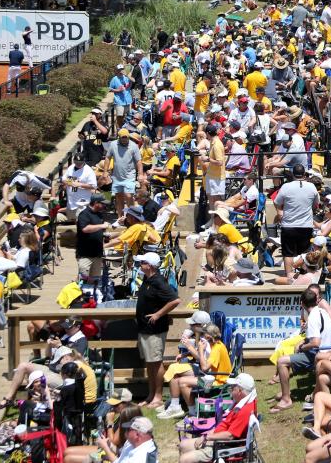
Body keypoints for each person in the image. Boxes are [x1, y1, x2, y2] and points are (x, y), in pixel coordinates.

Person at [273, 288, 331, 413]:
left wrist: (302, 347)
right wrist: (303, 342)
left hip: (320, 354)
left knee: (281, 361)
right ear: (316, 300)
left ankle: (286, 399)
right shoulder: (322, 312)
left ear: (302, 303)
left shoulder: (312, 317)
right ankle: (286, 392)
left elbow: (316, 342)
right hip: (329, 350)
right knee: (290, 353)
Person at [135, 251, 181, 408]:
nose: (139, 265)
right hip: (144, 328)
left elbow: (175, 300)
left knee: (156, 362)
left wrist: (158, 314)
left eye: (142, 263)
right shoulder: (147, 280)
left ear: (150, 266)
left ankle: (158, 397)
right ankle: (151, 394)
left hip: (154, 330)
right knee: (150, 363)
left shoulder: (159, 282)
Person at [178, 373, 258, 463]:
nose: (231, 389)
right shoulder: (243, 401)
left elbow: (230, 435)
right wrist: (210, 433)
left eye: (233, 387)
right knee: (183, 445)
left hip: (224, 445)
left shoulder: (245, 411)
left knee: (184, 459)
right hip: (217, 439)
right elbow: (226, 424)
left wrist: (206, 437)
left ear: (240, 391)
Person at [275, 164, 321, 278]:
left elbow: (277, 202)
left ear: (292, 174)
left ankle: (289, 276)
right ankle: (303, 275)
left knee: (288, 253)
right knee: (305, 253)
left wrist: (280, 212)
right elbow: (316, 204)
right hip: (306, 225)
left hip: (289, 225)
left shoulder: (286, 186)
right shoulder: (311, 187)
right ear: (304, 174)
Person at [106, 129, 145, 219]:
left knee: (128, 195)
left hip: (129, 175)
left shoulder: (133, 146)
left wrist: (140, 174)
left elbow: (139, 161)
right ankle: (120, 217)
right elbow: (108, 158)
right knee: (118, 197)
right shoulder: (113, 145)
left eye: (126, 137)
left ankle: (131, 217)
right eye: (122, 138)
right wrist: (105, 171)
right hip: (116, 176)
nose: (124, 139)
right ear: (119, 137)